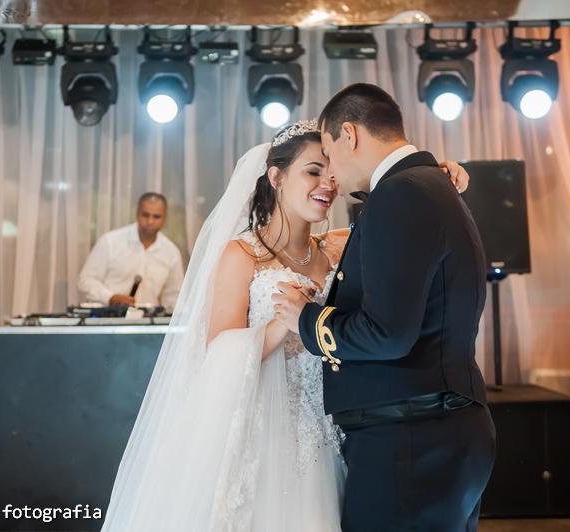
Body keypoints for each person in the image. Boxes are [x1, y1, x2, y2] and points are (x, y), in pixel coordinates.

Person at [101, 118, 470, 531]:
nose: (328, 184)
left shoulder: (339, 245)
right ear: (276, 176)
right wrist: (282, 327)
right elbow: (216, 351)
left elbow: (399, 215)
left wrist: (433, 179)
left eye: (331, 172)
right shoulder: (242, 256)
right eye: (313, 171)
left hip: (335, 432)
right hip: (267, 433)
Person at [274, 84, 496, 531]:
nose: (332, 176)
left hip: (412, 440)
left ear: (349, 135)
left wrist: (305, 318)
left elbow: (388, 333)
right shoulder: (427, 185)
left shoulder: (402, 194)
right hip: (432, 431)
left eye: (329, 156)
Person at [77, 192, 184, 310]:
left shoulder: (171, 251)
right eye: (145, 215)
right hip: (107, 318)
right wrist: (110, 297)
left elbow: (174, 295)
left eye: (156, 216)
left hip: (149, 323)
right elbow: (86, 280)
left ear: (164, 218)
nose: (150, 221)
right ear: (137, 214)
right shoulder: (110, 241)